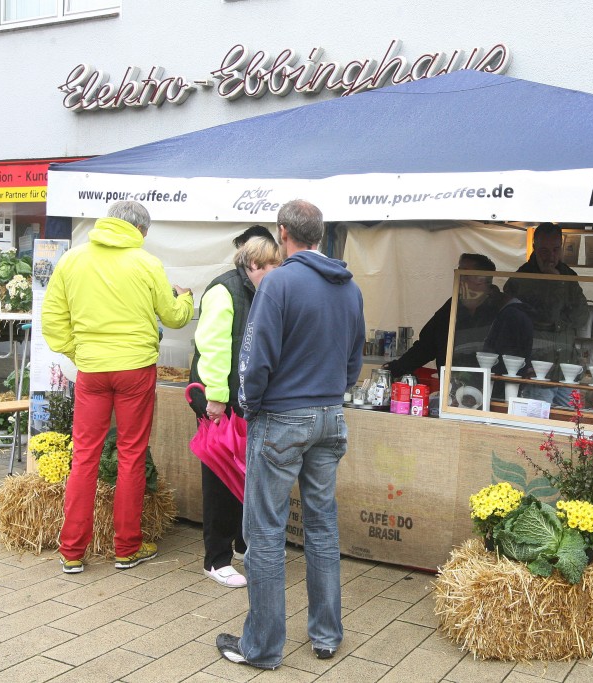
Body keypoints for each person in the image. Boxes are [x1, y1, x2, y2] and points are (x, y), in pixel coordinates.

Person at [216, 199, 365, 670]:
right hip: (330, 415)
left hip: (282, 417)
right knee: (321, 525)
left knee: (264, 531)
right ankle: (326, 635)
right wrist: (329, 392)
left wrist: (251, 406)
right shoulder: (350, 287)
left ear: (283, 232)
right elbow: (354, 361)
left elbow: (255, 359)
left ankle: (262, 647)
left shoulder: (278, 282)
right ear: (319, 233)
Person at [42, 200, 194, 574]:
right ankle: (127, 548)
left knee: (84, 456)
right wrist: (186, 298)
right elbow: (174, 318)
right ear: (140, 230)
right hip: (135, 370)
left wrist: (80, 352)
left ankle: (72, 552)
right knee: (131, 454)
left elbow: (53, 322)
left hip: (92, 371)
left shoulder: (72, 260)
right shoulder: (147, 263)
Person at [188, 236, 282, 588]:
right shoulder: (223, 290)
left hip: (243, 399)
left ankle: (242, 544)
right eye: (272, 266)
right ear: (254, 265)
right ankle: (216, 559)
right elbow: (212, 346)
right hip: (219, 399)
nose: (277, 273)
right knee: (220, 478)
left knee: (244, 472)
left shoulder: (259, 290)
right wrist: (216, 397)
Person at [505, 223, 589, 403]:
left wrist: (559, 283)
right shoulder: (523, 278)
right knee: (537, 420)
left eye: (556, 250)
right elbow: (546, 316)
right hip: (536, 371)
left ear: (561, 247)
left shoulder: (568, 275)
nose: (550, 256)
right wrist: (555, 284)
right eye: (544, 250)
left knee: (571, 420)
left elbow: (582, 316)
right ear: (534, 247)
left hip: (566, 370)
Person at [385, 253, 500, 378]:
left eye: (465, 275)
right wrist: (395, 369)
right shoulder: (452, 306)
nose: (459, 279)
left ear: (481, 280)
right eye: (458, 273)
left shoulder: (500, 308)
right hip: (451, 384)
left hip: (492, 383)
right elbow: (427, 345)